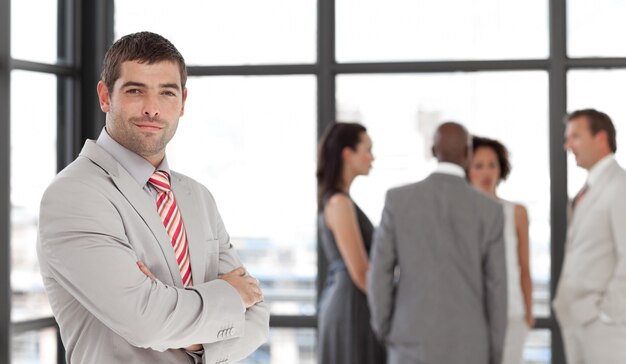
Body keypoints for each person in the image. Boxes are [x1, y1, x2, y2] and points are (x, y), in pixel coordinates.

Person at [36, 31, 269, 364]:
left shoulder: (198, 197)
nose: (152, 109)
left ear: (183, 102)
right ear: (105, 96)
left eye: (167, 93)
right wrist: (229, 298)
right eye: (135, 91)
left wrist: (183, 328)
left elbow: (258, 318)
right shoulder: (73, 195)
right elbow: (146, 322)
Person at [368, 122, 507, 364]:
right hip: (471, 346)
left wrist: (385, 327)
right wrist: (493, 352)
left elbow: (379, 272)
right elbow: (497, 288)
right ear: (468, 153)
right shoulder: (490, 211)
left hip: (409, 341)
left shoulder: (398, 201)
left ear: (433, 151)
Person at [553, 108, 626, 363]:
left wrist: (608, 314)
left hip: (604, 325)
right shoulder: (588, 189)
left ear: (601, 139)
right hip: (578, 320)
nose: (567, 145)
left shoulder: (620, 186)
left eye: (575, 136)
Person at [316, 122, 386, 364]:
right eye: (367, 149)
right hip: (350, 306)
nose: (372, 157)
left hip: (351, 303)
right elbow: (362, 273)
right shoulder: (339, 203)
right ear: (348, 154)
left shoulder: (339, 200)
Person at [467, 136, 534, 364]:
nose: (486, 172)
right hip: (470, 316)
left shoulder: (516, 212)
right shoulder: (459, 214)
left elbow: (524, 267)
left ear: (501, 169)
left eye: (492, 164)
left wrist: (528, 315)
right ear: (467, 170)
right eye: (478, 165)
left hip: (512, 315)